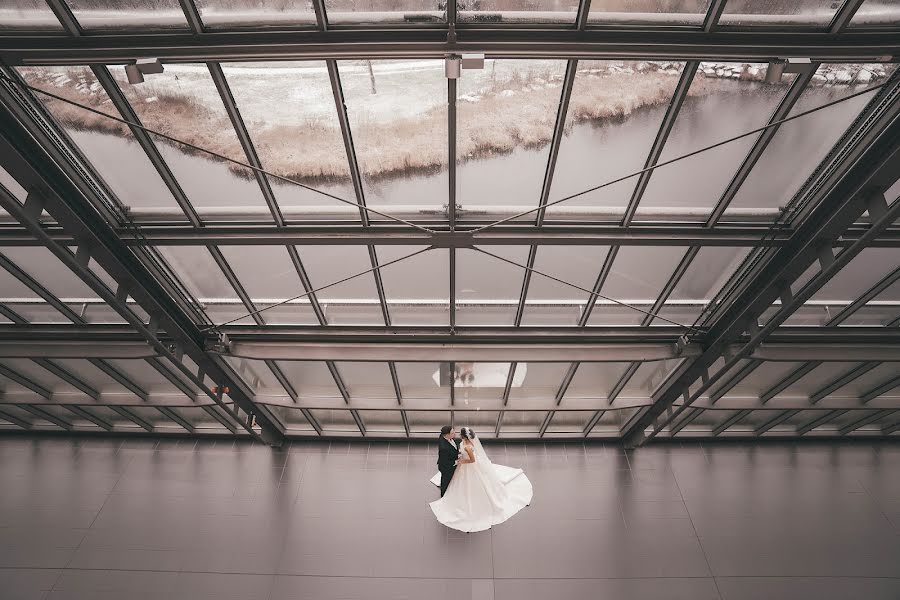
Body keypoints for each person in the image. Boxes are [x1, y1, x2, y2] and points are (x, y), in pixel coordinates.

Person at [429, 427, 533, 532]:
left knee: (472, 483)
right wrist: (459, 458)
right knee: (452, 480)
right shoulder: (454, 443)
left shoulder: (468, 446)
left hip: (468, 466)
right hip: (454, 465)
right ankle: (446, 491)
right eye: (453, 432)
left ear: (464, 437)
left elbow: (472, 460)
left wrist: (461, 462)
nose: (456, 434)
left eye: (458, 433)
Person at [436, 424, 460, 497]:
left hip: (450, 459)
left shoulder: (444, 436)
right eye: (452, 433)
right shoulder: (444, 448)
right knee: (445, 481)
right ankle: (443, 495)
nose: (455, 434)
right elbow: (445, 462)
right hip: (446, 468)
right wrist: (456, 461)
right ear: (447, 435)